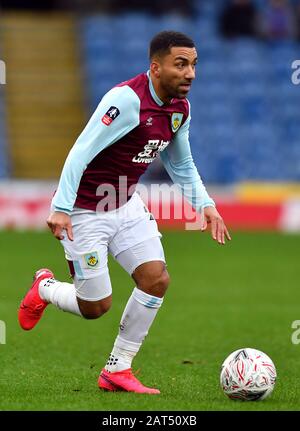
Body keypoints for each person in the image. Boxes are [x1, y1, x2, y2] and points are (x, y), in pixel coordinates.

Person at [18, 31, 231, 394]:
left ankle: (117, 369)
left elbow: (181, 163)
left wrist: (205, 205)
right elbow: (80, 151)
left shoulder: (180, 109)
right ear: (156, 67)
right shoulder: (126, 100)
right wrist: (61, 208)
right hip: (86, 211)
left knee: (156, 279)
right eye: (180, 64)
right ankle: (46, 287)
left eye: (194, 65)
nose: (190, 73)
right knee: (95, 306)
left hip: (126, 203)